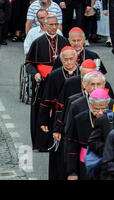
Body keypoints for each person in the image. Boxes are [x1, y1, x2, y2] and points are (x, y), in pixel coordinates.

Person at [25, 14, 69, 151]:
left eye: (56, 24)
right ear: (44, 26)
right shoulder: (38, 42)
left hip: (60, 84)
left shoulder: (64, 42)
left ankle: (58, 140)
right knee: (42, 111)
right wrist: (35, 74)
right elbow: (28, 64)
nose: (54, 27)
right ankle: (41, 143)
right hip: (43, 83)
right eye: (51, 25)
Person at [39, 46, 79, 180]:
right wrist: (43, 121)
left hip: (77, 118)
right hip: (57, 117)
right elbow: (46, 99)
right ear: (61, 60)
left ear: (76, 58)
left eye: (71, 59)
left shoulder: (83, 75)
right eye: (65, 59)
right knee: (57, 151)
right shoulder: (54, 75)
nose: (68, 62)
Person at [66, 88, 111, 180]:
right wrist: (72, 171)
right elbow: (72, 146)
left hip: (109, 164)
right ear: (90, 105)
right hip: (85, 163)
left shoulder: (113, 118)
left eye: (104, 108)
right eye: (96, 108)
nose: (100, 112)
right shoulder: (79, 119)